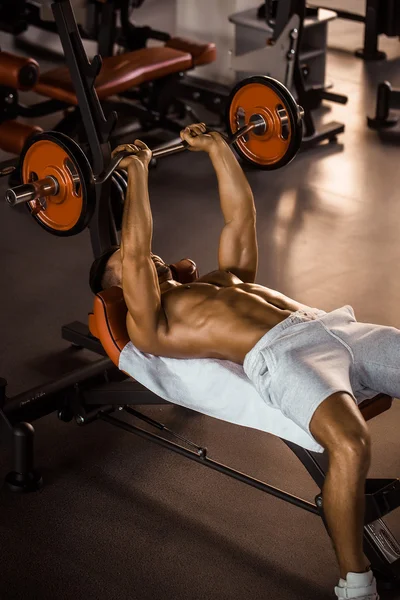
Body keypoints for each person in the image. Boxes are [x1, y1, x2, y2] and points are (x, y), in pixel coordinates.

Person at [89, 124, 400, 600]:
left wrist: (218, 149)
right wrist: (137, 176)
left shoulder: (218, 280)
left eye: (148, 254)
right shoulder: (151, 325)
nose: (147, 256)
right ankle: (356, 586)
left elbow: (240, 219)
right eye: (130, 264)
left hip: (332, 327)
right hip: (282, 355)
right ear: (118, 288)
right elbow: (132, 256)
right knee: (351, 445)